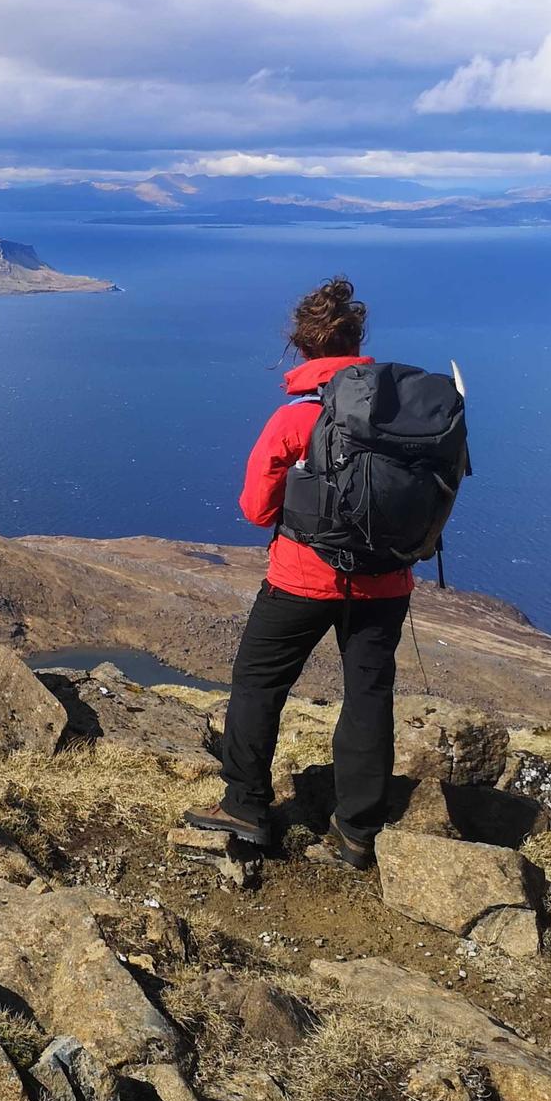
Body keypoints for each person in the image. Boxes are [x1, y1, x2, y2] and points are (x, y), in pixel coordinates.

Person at [186, 277, 413, 870]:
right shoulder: (402, 415)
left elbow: (256, 508)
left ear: (302, 349)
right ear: (358, 342)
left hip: (302, 579)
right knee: (368, 694)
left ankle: (247, 806)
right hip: (385, 583)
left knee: (259, 684)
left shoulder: (296, 419)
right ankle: (358, 831)